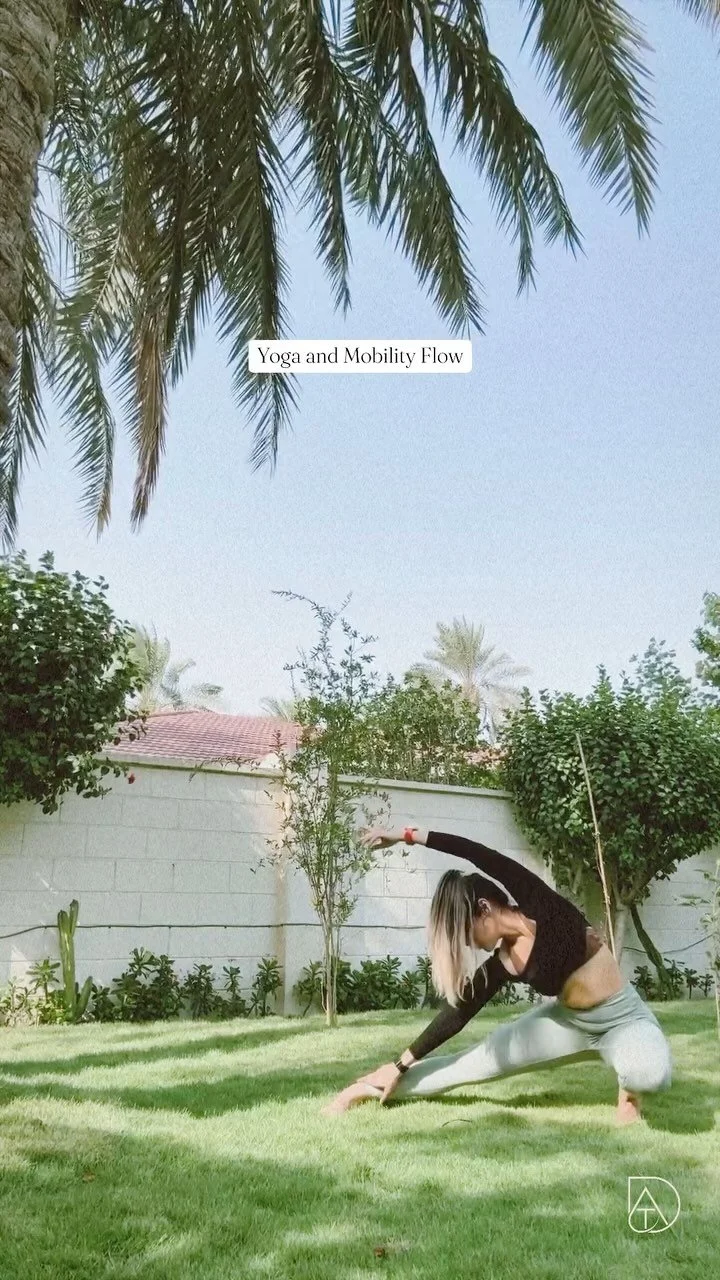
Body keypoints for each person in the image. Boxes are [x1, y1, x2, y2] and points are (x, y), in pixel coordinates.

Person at [323, 826, 673, 1125]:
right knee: (468, 1065)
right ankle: (365, 1088)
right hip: (568, 1025)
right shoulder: (503, 963)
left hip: (622, 1018)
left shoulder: (539, 904)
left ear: (484, 909)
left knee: (648, 1074)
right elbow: (458, 1013)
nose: (468, 943)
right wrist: (399, 1064)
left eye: (467, 932)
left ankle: (629, 1092)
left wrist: (406, 835)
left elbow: (477, 853)